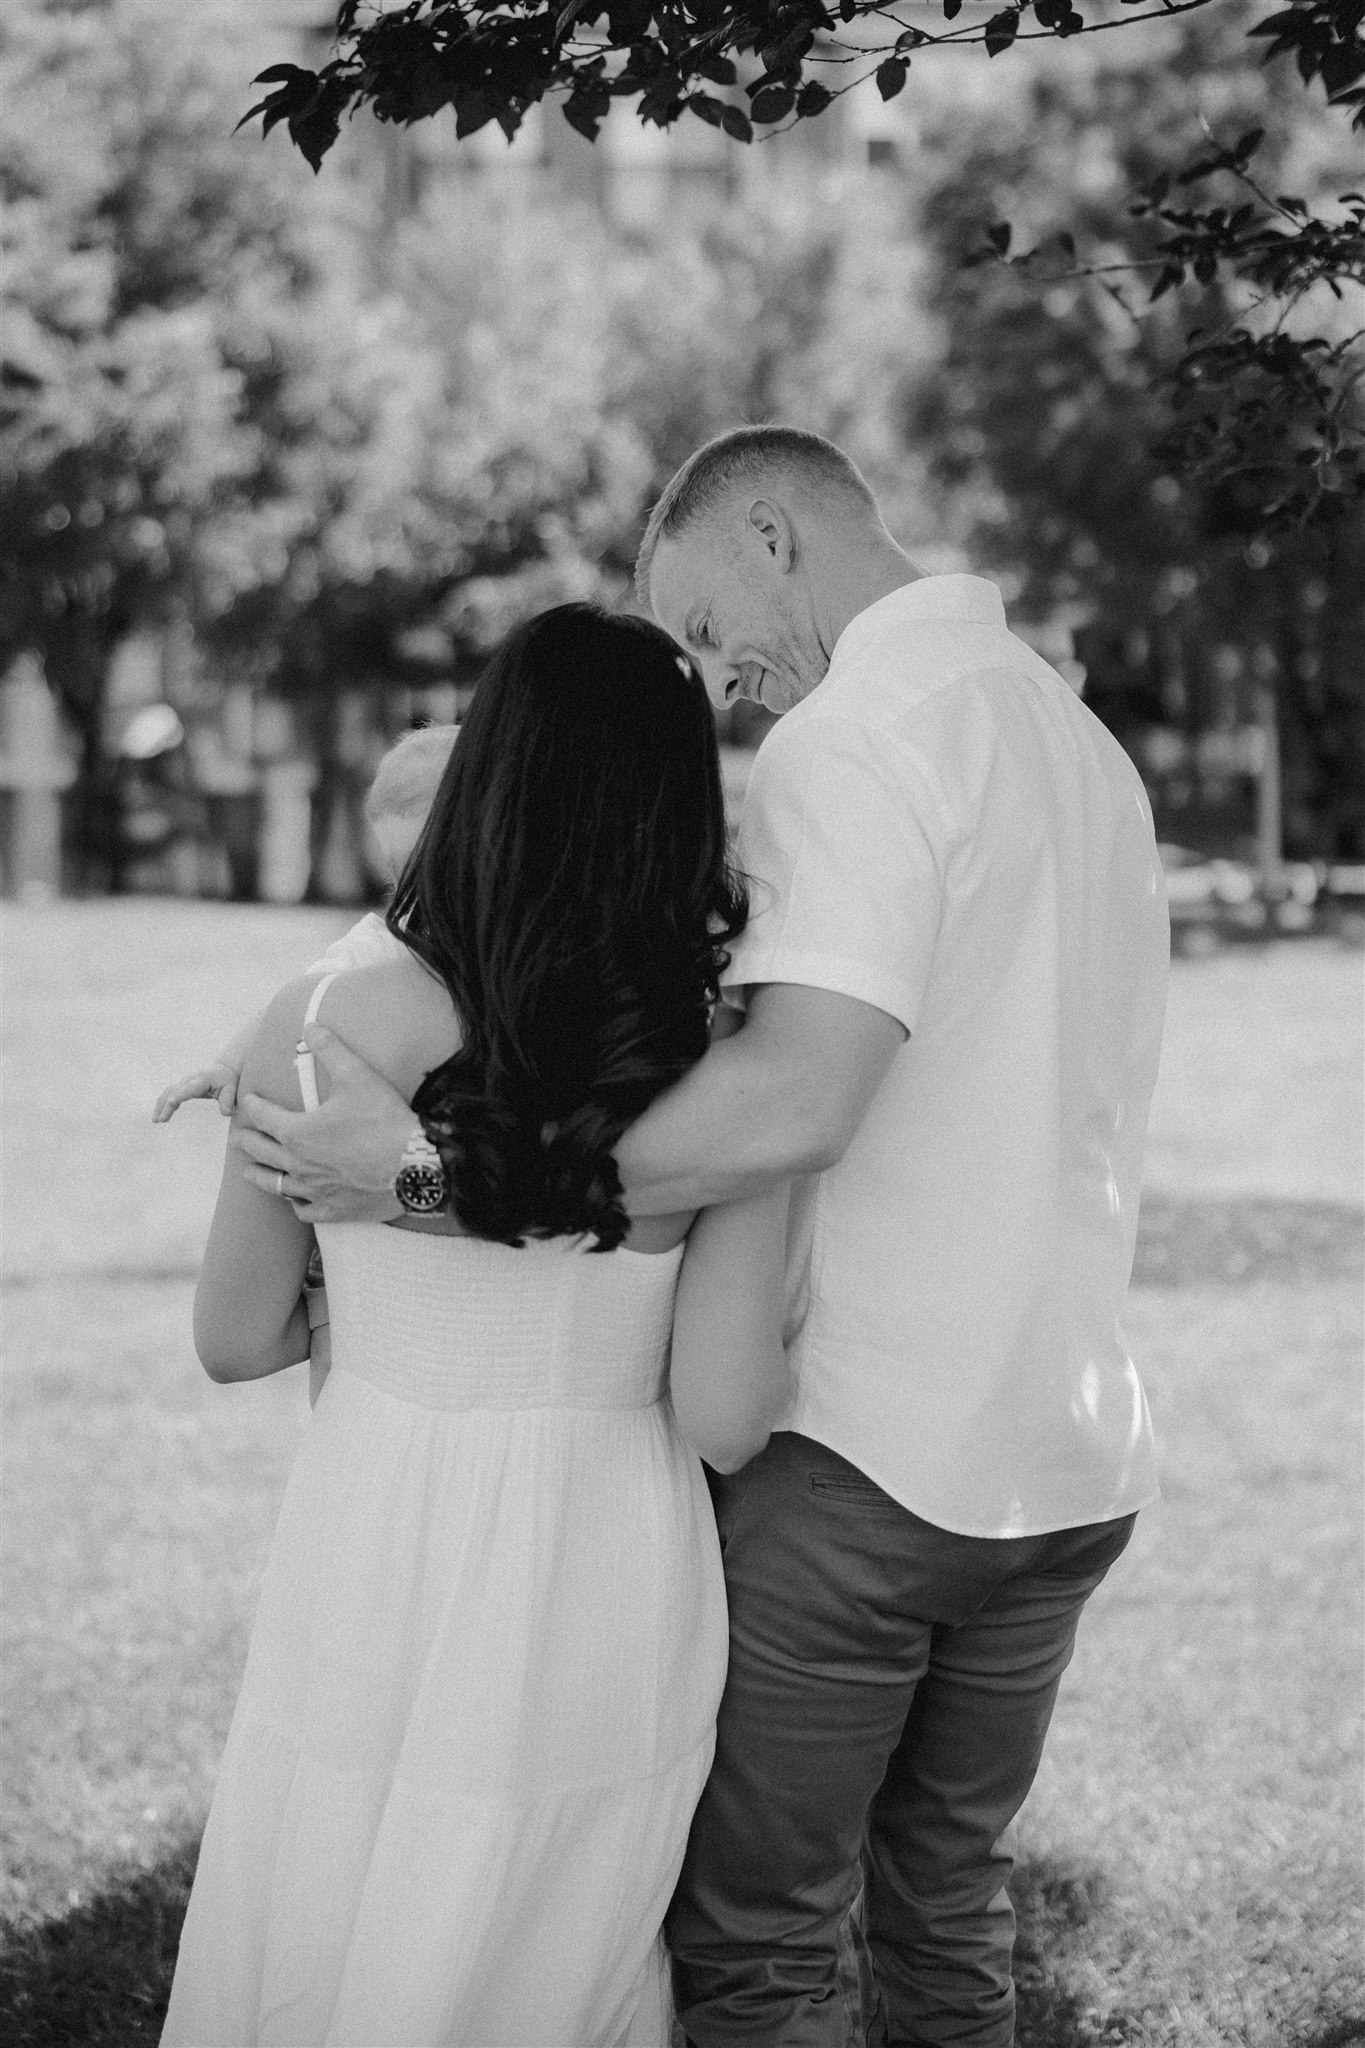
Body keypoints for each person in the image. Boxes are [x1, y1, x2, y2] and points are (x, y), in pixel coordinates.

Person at [237, 425, 1170, 2047]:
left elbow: (791, 1109)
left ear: (772, 532)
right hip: (1063, 1452)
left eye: (704, 621)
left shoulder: (862, 738)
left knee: (761, 1949)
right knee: (945, 1913)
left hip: (875, 1459)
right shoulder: (1070, 736)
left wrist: (430, 1176)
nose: (723, 685)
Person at [160, 606, 791, 2048]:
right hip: (604, 1548)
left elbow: (235, 1335)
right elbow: (721, 1414)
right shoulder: (724, 1057)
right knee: (547, 1927)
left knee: (332, 1887)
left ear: (487, 764)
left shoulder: (319, 1017)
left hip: (374, 1517)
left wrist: (376, 1287)